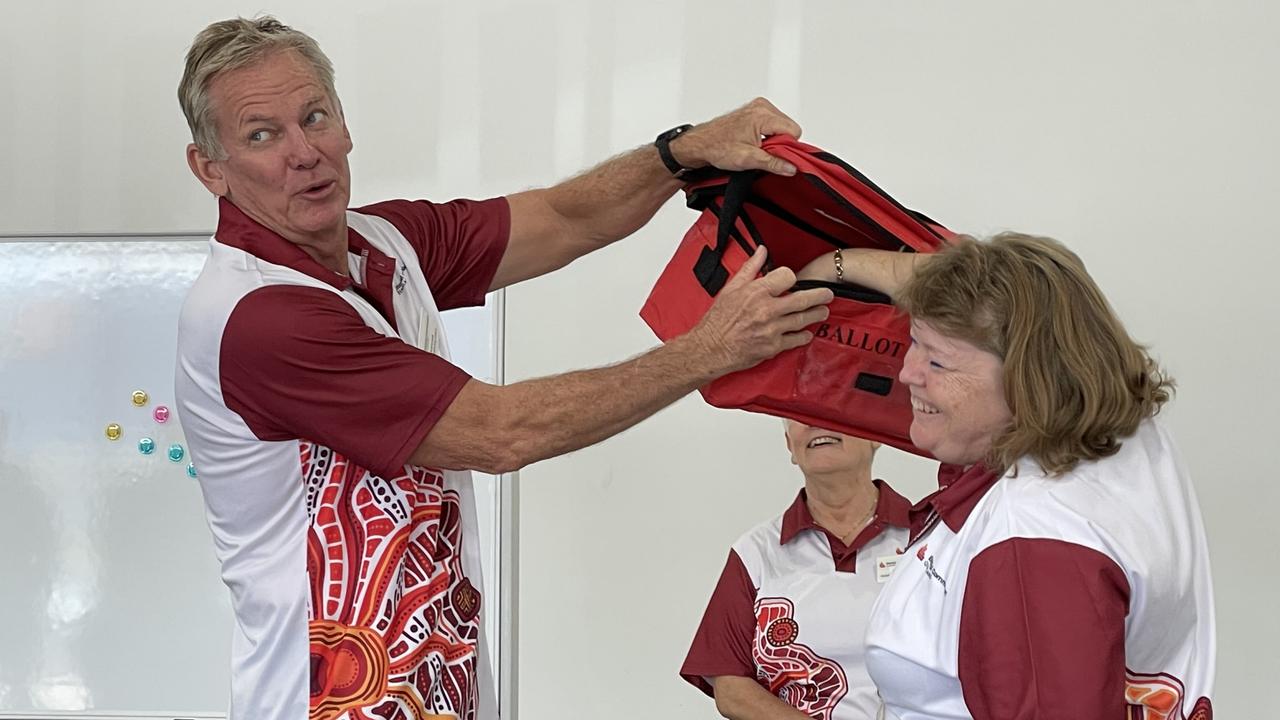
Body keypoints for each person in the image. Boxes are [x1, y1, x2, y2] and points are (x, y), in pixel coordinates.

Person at [172, 16, 833, 720]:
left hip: (439, 689)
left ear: (345, 123)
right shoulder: (259, 317)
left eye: (315, 117)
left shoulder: (383, 242)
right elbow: (500, 432)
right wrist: (710, 349)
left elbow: (563, 218)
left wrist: (682, 152)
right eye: (262, 135)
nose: (305, 153)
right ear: (210, 168)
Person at [796, 236, 1215, 719]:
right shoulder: (1122, 434)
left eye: (936, 360)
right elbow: (1022, 298)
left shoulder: (1032, 542)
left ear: (1025, 380)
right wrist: (837, 265)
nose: (907, 372)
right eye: (914, 341)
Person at [680, 421, 911, 720]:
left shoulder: (930, 537)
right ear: (790, 444)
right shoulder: (756, 552)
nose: (816, 421)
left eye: (831, 408)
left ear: (875, 435)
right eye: (799, 414)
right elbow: (730, 687)